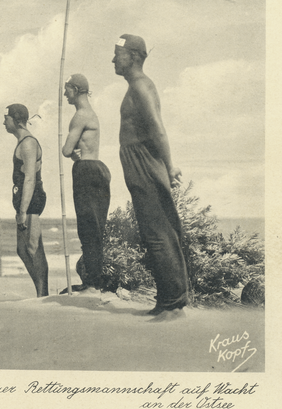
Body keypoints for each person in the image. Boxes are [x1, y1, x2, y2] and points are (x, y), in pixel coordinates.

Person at [112, 34, 188, 317]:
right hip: (138, 161)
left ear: (133, 56)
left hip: (144, 161)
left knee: (158, 233)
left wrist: (169, 166)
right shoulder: (135, 87)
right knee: (154, 232)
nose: (112, 59)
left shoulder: (141, 87)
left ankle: (173, 305)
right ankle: (167, 302)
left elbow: (157, 128)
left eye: (117, 53)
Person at [62, 74, 111, 294]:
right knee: (95, 228)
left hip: (86, 171)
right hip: (98, 169)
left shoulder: (80, 116)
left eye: (67, 90)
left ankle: (92, 284)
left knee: (88, 229)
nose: (65, 94)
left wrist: (71, 154)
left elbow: (66, 149)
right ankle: (94, 280)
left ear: (76, 89)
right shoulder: (91, 114)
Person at [4, 104, 48, 297]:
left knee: (33, 248)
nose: (4, 121)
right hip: (25, 200)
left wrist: (22, 212)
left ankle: (43, 294)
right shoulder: (22, 141)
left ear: (17, 119)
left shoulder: (28, 143)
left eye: (6, 118)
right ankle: (41, 292)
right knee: (23, 249)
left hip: (31, 201)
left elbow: (30, 178)